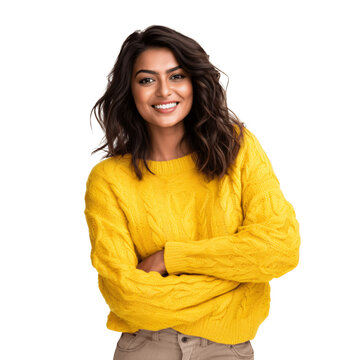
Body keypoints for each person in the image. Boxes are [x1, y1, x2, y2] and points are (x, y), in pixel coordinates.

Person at [84, 24, 301, 360]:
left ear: (194, 83)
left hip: (226, 350)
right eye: (146, 79)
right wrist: (236, 280)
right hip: (146, 347)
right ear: (130, 91)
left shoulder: (238, 149)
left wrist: (172, 258)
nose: (163, 91)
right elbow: (127, 294)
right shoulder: (109, 179)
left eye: (176, 76)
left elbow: (280, 248)